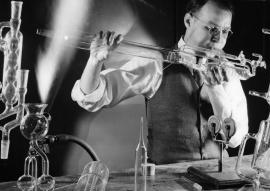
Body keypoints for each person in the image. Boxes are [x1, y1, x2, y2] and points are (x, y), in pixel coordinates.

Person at [71, 0, 249, 164]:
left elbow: (235, 138)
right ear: (188, 21)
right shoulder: (157, 62)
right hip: (168, 179)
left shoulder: (227, 70)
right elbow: (92, 97)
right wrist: (95, 61)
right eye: (211, 29)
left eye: (225, 31)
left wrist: (215, 89)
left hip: (217, 176)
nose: (218, 40)